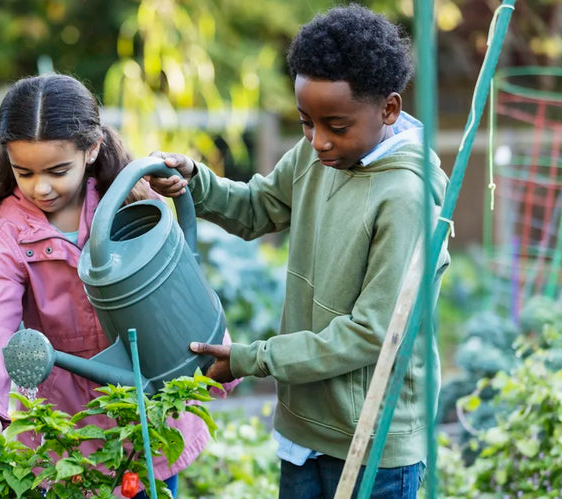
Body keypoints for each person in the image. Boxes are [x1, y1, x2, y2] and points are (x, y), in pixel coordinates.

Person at [148, 5, 450, 498]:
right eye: (307, 122)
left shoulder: (407, 199)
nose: (319, 141)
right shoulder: (314, 156)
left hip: (372, 438)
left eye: (336, 125)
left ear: (389, 110)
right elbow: (257, 207)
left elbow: (372, 334)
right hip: (304, 426)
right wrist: (194, 183)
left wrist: (253, 358)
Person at [0, 73, 235, 499]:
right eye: (24, 172)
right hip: (65, 427)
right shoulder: (9, 237)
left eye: (56, 170)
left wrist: (216, 357)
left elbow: (178, 292)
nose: (41, 187)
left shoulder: (131, 204)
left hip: (148, 414)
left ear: (91, 149)